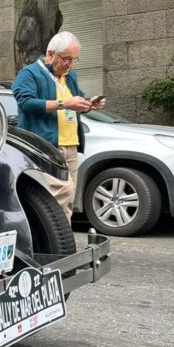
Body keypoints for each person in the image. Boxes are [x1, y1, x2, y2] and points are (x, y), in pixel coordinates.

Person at [12, 31, 105, 220]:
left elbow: (74, 100)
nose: (70, 64)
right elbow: (26, 103)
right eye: (66, 58)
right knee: (59, 193)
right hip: (46, 144)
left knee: (67, 197)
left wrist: (89, 103)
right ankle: (50, 242)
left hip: (70, 144)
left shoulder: (70, 76)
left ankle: (63, 242)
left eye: (74, 59)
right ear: (51, 53)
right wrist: (65, 104)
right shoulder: (29, 73)